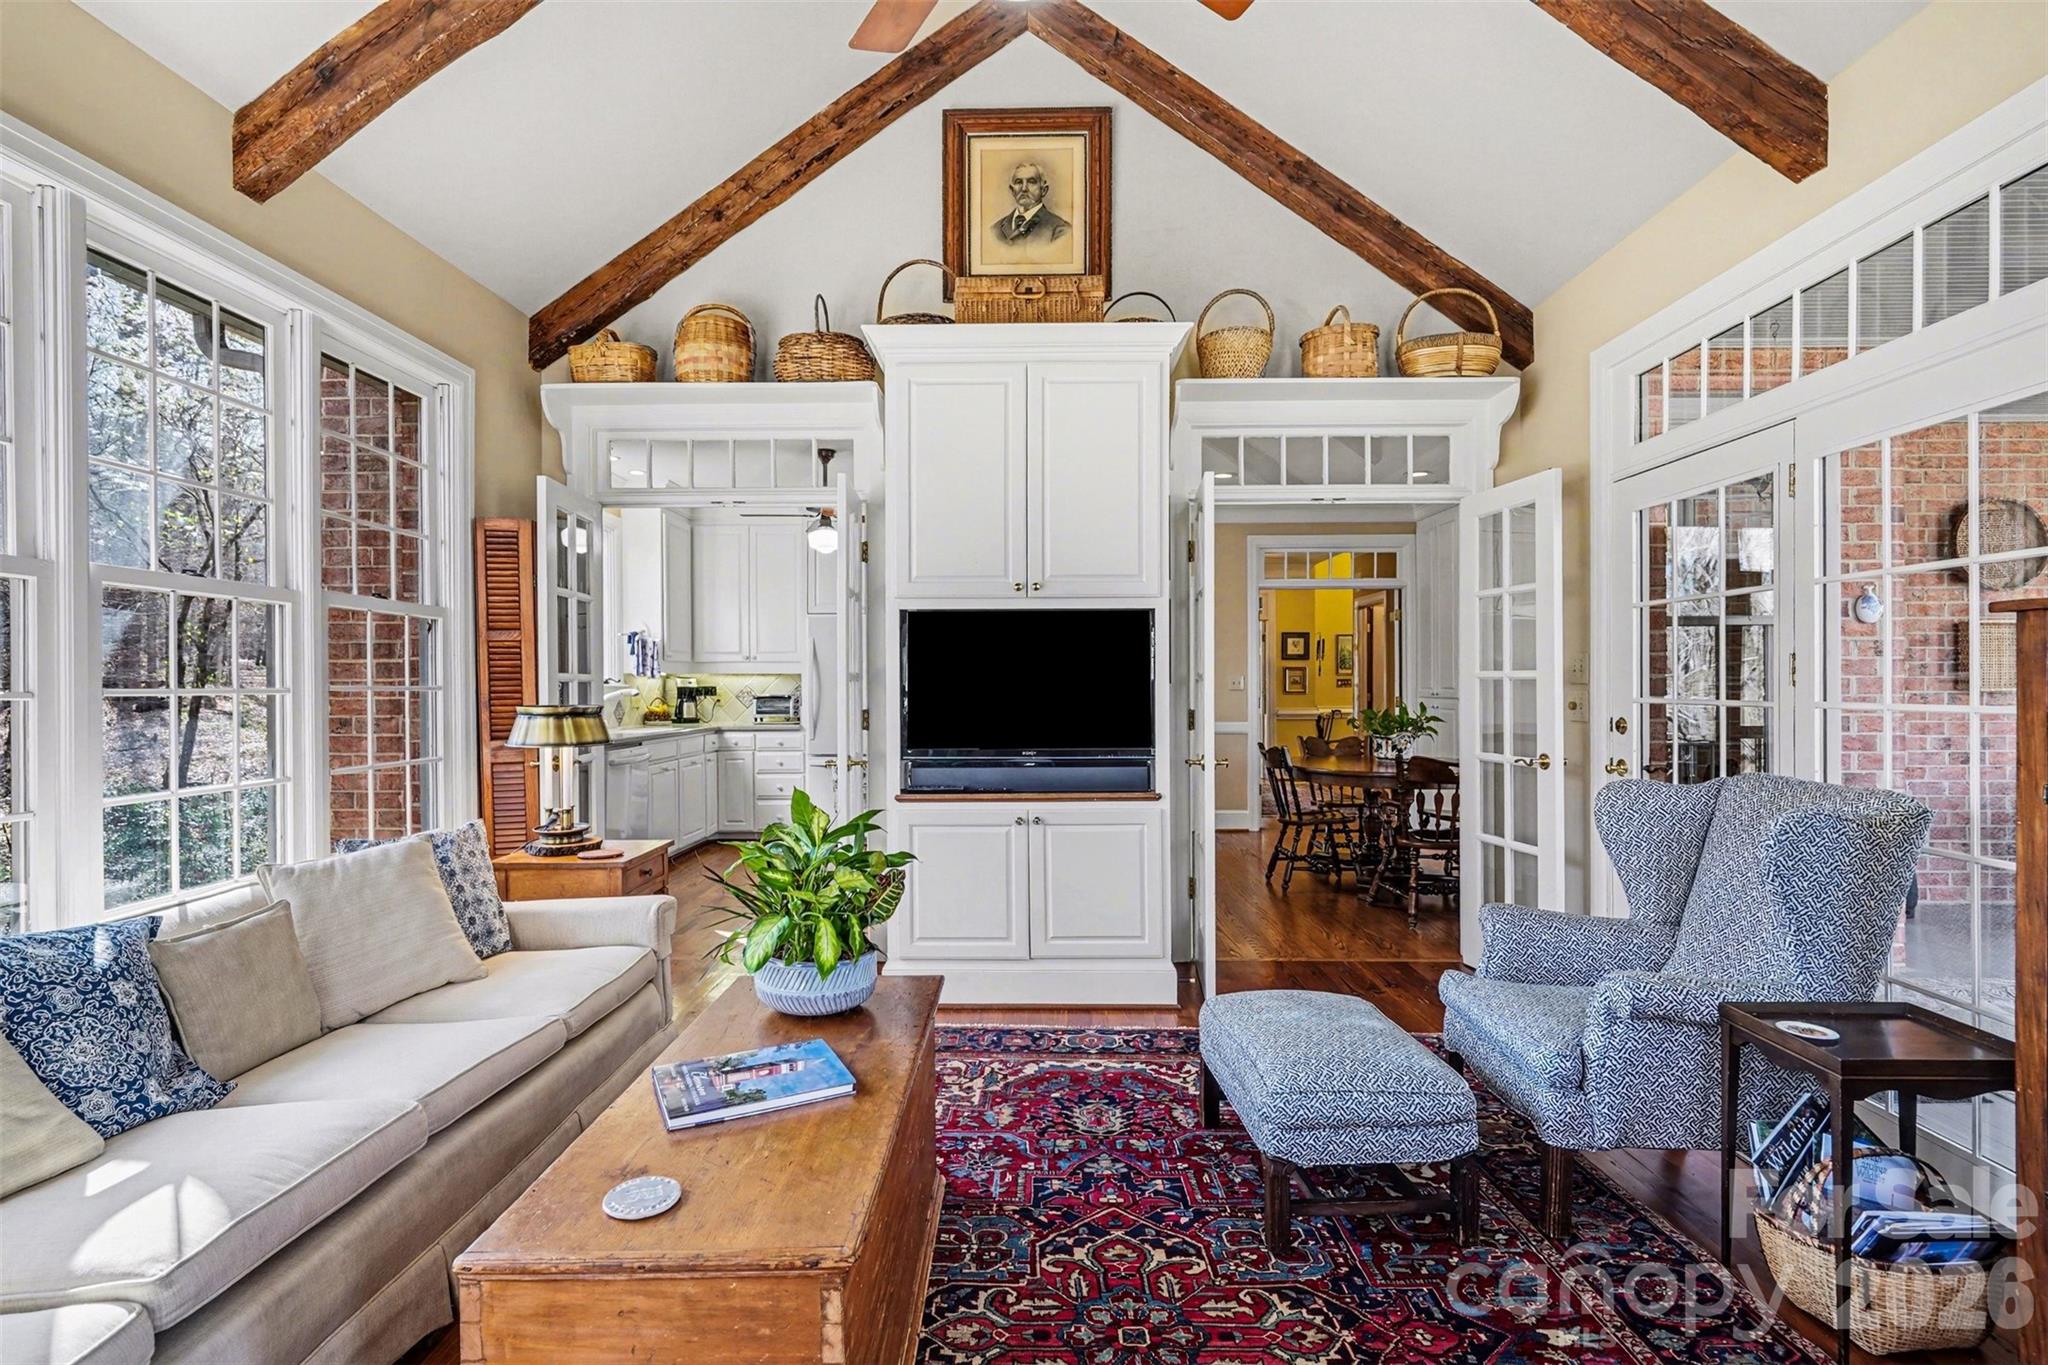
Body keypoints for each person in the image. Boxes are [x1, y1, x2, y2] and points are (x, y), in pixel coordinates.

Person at [990, 161, 1070, 246]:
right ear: (1012, 191)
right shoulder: (994, 230)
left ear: (1043, 190)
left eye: (1031, 182)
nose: (1024, 188)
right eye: (1019, 182)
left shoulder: (1061, 230)